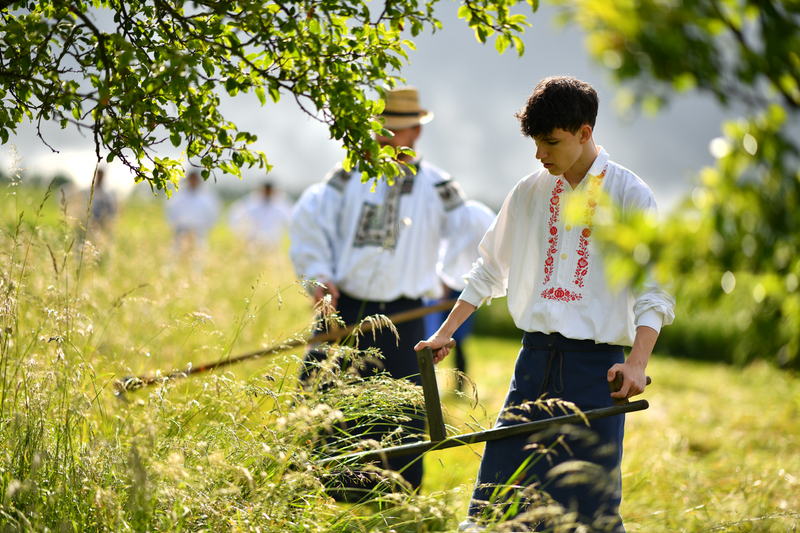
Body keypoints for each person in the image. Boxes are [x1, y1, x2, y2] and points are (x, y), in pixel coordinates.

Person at [415, 76, 676, 532]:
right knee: (497, 500)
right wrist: (445, 330)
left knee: (589, 509)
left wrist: (637, 362)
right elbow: (489, 269)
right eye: (536, 143)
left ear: (584, 133)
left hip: (598, 373)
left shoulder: (631, 196)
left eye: (550, 142)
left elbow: (654, 289)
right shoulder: (530, 191)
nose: (541, 154)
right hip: (532, 363)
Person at [289, 86, 483, 495]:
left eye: (394, 130)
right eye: (379, 128)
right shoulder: (345, 178)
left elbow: (475, 231)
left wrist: (453, 280)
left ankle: (395, 496)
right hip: (343, 310)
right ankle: (315, 489)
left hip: (405, 314)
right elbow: (311, 224)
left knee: (401, 410)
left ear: (415, 131)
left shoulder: (437, 186)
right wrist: (319, 278)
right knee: (319, 399)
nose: (384, 137)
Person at [423, 199, 497, 386]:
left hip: (460, 289)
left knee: (451, 339)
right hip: (455, 287)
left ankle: (456, 382)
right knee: (443, 338)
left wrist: (444, 289)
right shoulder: (464, 215)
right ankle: (431, 384)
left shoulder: (466, 217)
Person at [227, 181, 293, 251]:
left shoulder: (280, 205)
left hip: (274, 244)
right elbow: (235, 215)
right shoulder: (252, 203)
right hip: (254, 244)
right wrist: (244, 234)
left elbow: (291, 219)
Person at [166, 171, 221, 254]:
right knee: (177, 255)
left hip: (198, 232)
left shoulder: (206, 197)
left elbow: (213, 214)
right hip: (181, 231)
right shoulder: (179, 195)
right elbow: (170, 211)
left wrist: (205, 227)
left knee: (198, 256)